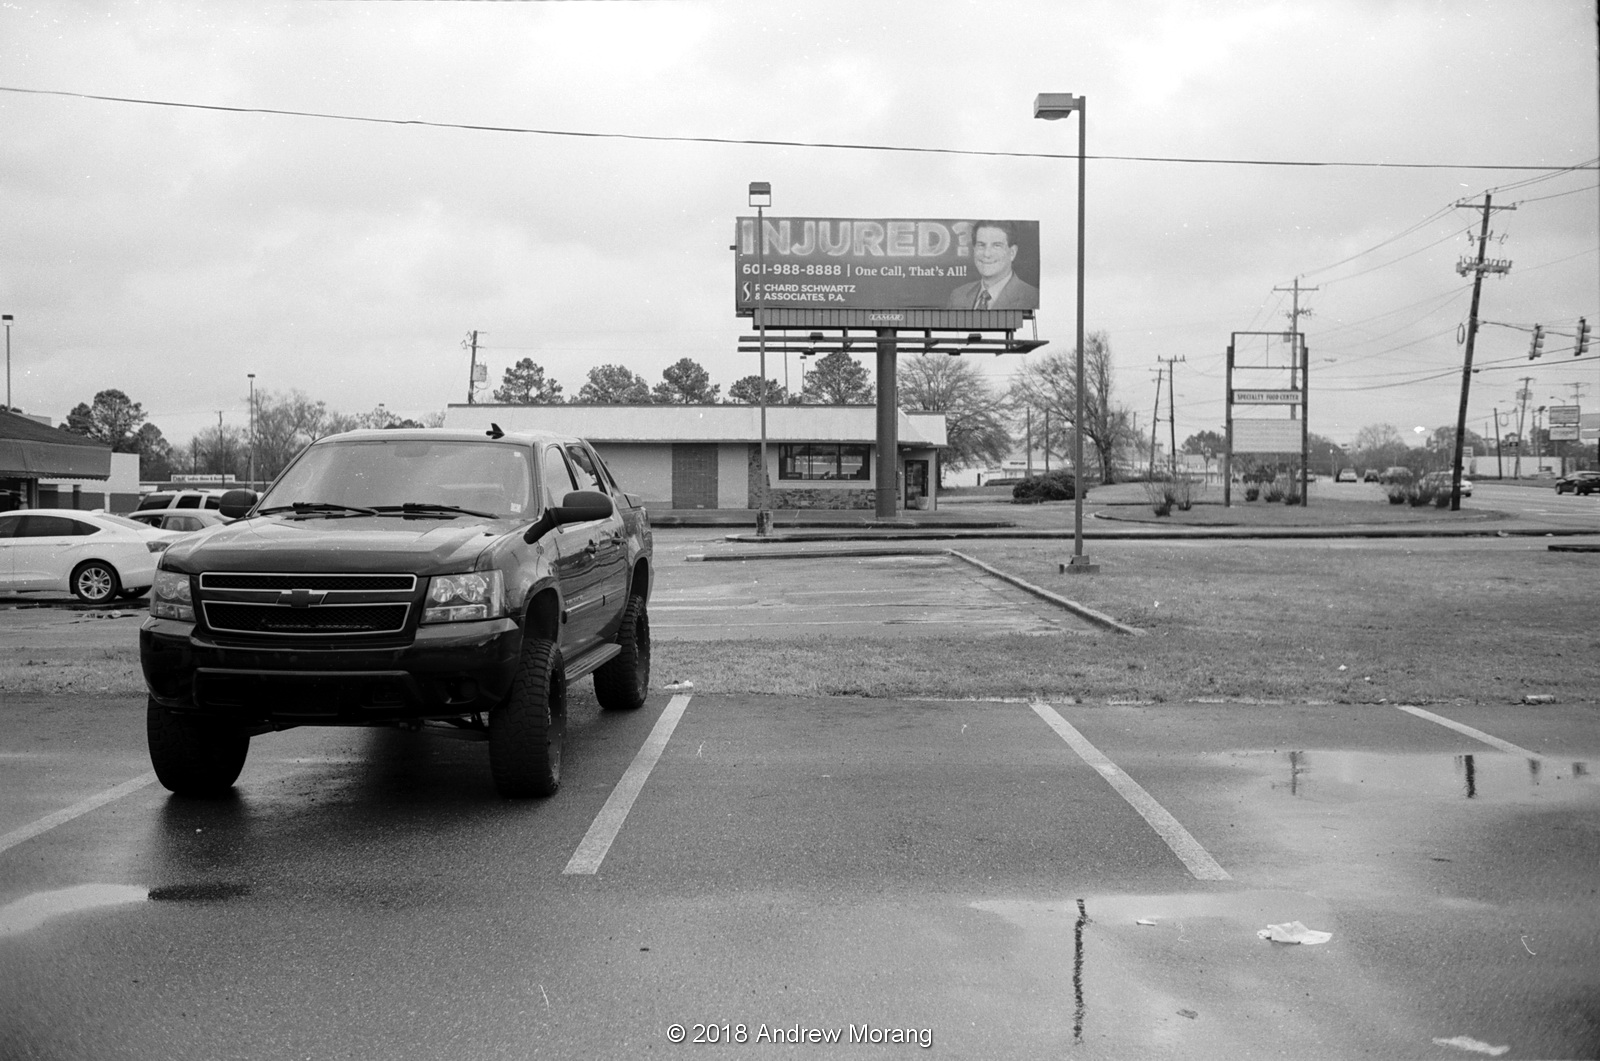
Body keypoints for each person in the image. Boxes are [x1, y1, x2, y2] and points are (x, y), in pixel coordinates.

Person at [945, 220, 1040, 310]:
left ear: (1012, 252)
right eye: (981, 245)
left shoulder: (1032, 298)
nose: (987, 254)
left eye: (996, 245)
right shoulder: (957, 296)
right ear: (974, 250)